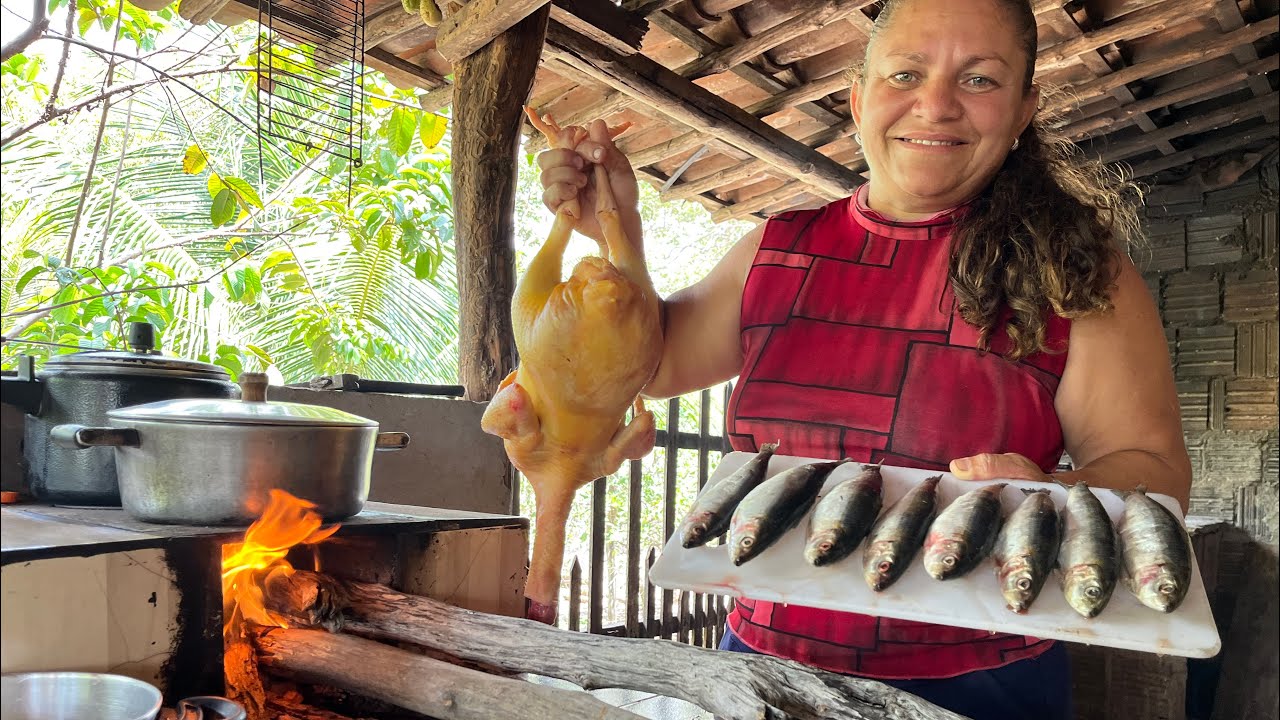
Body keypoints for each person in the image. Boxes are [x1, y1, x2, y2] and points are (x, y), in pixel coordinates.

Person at [534, 0, 1192, 716]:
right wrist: (617, 228)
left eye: (979, 80)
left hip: (981, 687)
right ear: (858, 97)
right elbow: (650, 367)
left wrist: (1053, 489)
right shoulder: (775, 250)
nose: (935, 105)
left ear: (1024, 107)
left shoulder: (1076, 273)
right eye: (906, 73)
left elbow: (1154, 472)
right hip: (761, 674)